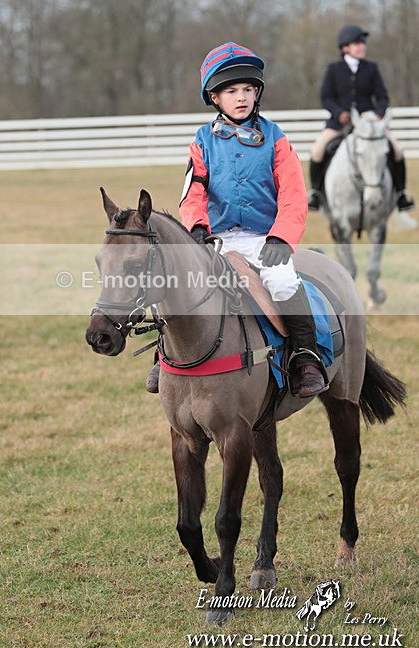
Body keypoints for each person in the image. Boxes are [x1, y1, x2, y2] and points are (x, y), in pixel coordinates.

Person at [146, 41, 327, 398]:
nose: (241, 97)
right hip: (217, 238)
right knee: (176, 281)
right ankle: (161, 354)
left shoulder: (277, 139)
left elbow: (293, 194)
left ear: (257, 93)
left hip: (265, 238)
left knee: (281, 280)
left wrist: (281, 238)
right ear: (215, 97)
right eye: (231, 91)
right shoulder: (201, 141)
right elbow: (193, 191)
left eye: (248, 89)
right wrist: (197, 228)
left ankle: (306, 356)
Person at [307, 24, 415, 212]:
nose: (362, 46)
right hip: (339, 123)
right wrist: (339, 112)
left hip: (368, 123)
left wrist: (379, 114)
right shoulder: (333, 69)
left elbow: (382, 97)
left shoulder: (371, 68)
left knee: (397, 150)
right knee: (317, 151)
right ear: (344, 47)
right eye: (357, 43)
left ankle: (401, 194)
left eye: (363, 43)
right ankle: (315, 192)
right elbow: (326, 97)